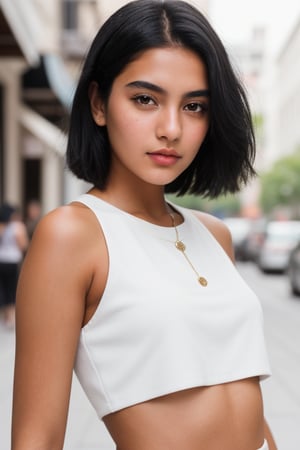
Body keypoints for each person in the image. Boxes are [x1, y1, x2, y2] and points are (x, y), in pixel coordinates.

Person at [12, 1, 277, 449]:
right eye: (145, 99)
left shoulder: (215, 236)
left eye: (194, 106)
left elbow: (241, 392)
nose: (171, 128)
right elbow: (36, 438)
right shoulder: (72, 235)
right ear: (99, 103)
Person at [0, 204, 28, 328]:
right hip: (12, 261)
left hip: (1, 260)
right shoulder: (18, 226)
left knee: (3, 289)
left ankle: (5, 316)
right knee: (12, 289)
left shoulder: (1, 226)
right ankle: (11, 316)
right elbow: (23, 244)